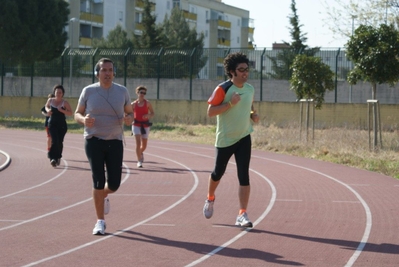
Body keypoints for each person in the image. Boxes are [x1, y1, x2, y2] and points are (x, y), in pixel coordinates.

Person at [74, 58, 133, 235]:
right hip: (93, 140)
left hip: (115, 140)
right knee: (98, 180)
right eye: (103, 70)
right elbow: (77, 113)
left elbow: (130, 112)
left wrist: (129, 118)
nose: (107, 73)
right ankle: (100, 221)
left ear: (114, 73)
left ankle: (104, 195)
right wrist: (84, 120)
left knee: (114, 184)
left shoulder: (122, 91)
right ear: (97, 73)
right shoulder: (88, 91)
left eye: (110, 70)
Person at [203, 52, 259, 228]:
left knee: (244, 175)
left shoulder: (250, 89)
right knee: (217, 173)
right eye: (241, 70)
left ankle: (242, 214)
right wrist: (229, 104)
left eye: (246, 69)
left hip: (244, 137)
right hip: (226, 139)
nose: (245, 73)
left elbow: (249, 107)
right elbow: (211, 112)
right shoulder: (223, 89)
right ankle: (210, 198)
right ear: (232, 71)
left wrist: (253, 115)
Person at [45, 85, 72, 167]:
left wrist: (62, 110)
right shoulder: (50, 100)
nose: (58, 94)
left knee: (59, 142)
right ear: (54, 92)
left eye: (60, 92)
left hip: (62, 125)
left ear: (62, 94)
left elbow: (71, 113)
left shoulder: (65, 103)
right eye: (57, 92)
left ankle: (58, 156)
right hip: (52, 124)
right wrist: (48, 110)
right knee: (54, 140)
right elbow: (46, 106)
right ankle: (52, 158)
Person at [131, 85, 155, 168]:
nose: (143, 94)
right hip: (136, 124)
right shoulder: (133, 104)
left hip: (145, 125)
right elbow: (128, 113)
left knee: (144, 145)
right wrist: (128, 118)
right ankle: (139, 161)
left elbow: (152, 113)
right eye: (141, 92)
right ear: (137, 93)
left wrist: (148, 115)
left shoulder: (147, 103)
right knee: (138, 143)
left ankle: (140, 152)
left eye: (144, 93)